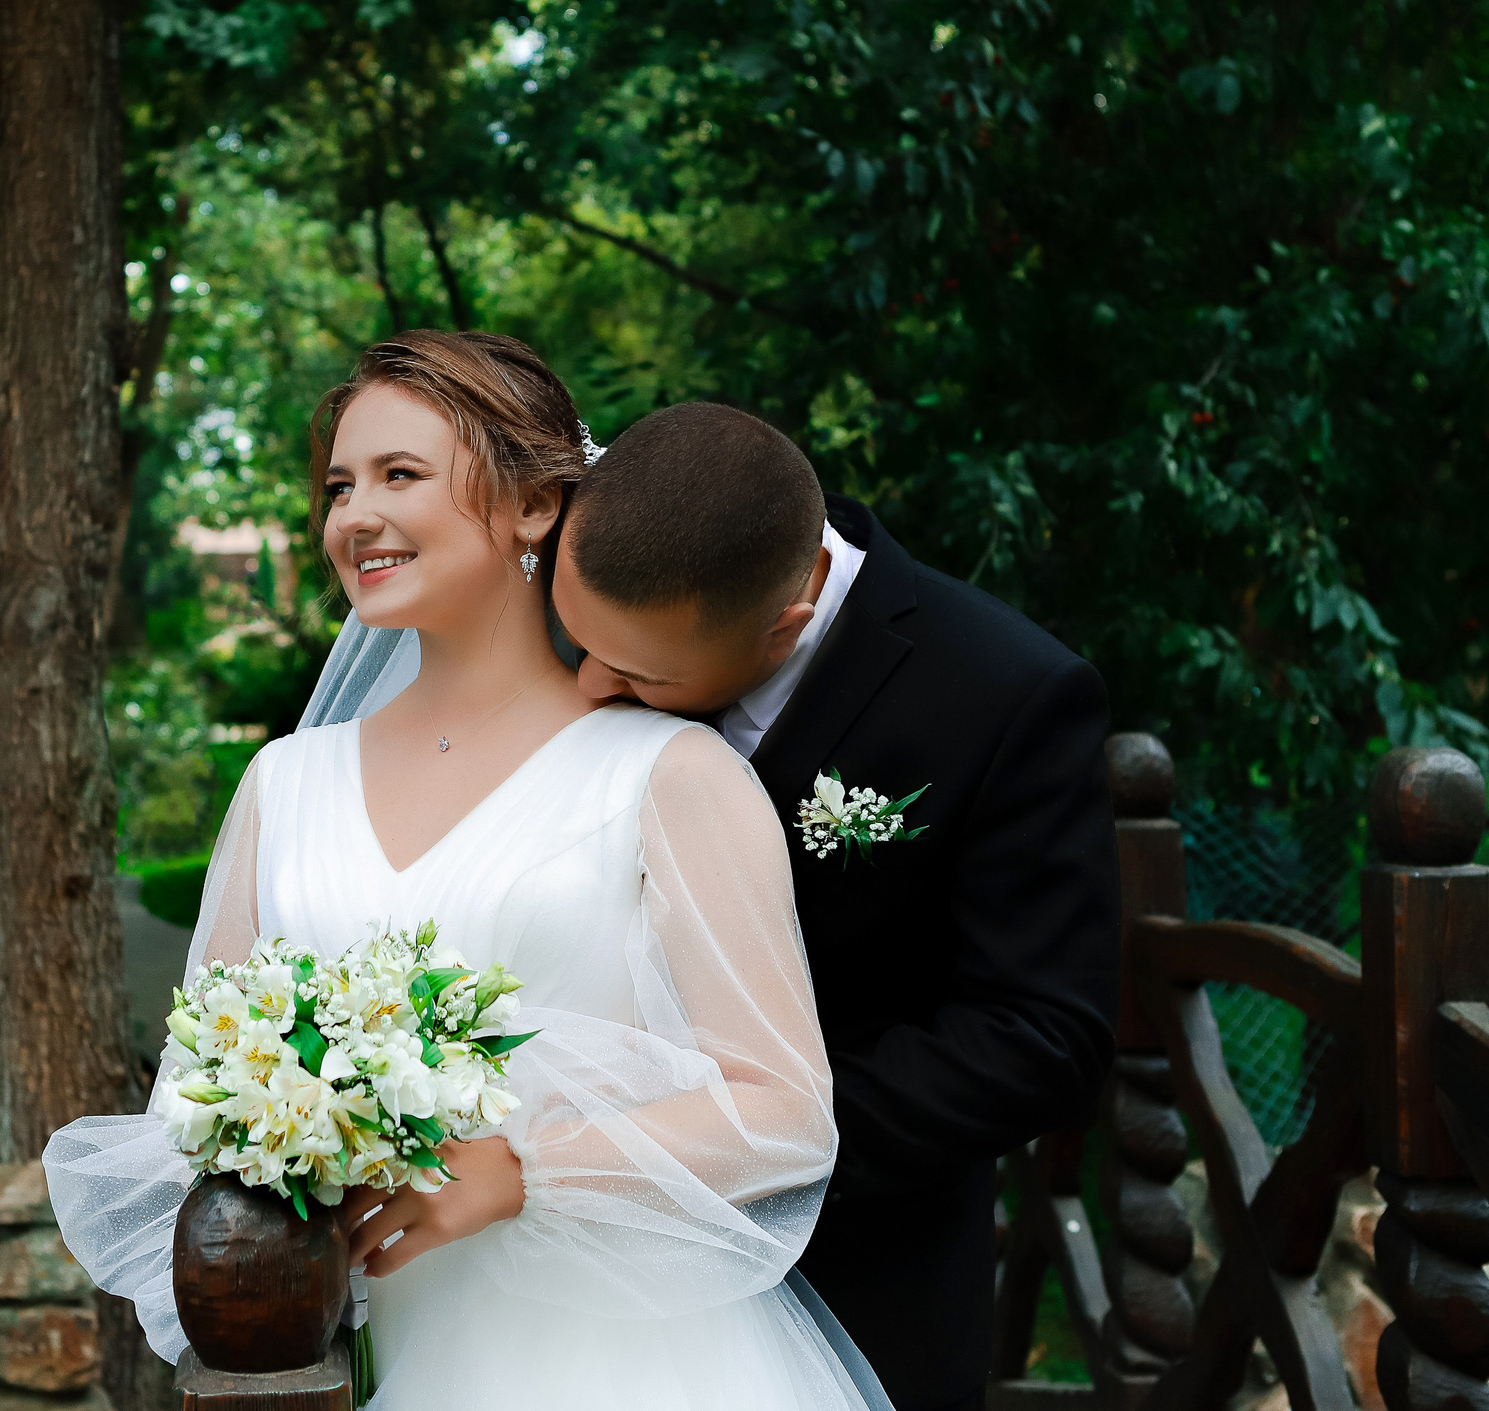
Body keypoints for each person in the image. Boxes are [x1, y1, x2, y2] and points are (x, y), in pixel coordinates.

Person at [46, 332, 879, 1411]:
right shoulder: (283, 785)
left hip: (615, 1364)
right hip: (372, 1347)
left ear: (535, 506)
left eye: (400, 476)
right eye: (339, 485)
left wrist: (518, 1169)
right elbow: (194, 1094)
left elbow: (781, 1111)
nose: (353, 516)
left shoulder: (668, 775)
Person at [304, 399, 1120, 1411]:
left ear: (786, 622)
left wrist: (721, 1138)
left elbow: (1044, 1035)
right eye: (576, 640)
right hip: (519, 1282)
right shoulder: (623, 543)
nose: (592, 685)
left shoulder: (1002, 693)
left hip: (854, 1266)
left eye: (641, 673)